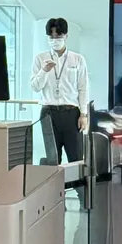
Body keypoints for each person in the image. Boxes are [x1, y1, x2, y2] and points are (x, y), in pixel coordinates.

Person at [30, 17, 89, 164]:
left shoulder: (77, 59)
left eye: (59, 36)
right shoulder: (40, 58)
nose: (55, 40)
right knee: (52, 159)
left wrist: (84, 114)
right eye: (51, 37)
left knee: (76, 158)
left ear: (66, 36)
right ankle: (55, 187)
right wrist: (44, 71)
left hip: (71, 113)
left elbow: (83, 88)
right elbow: (35, 87)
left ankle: (78, 187)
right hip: (49, 113)